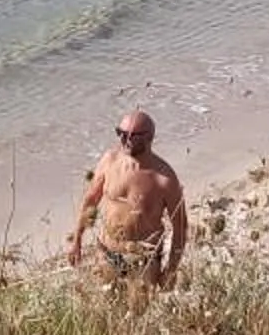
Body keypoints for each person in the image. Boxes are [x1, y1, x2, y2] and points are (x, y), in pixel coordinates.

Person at [68, 110, 187, 287]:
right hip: (106, 253)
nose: (125, 140)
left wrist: (171, 270)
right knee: (104, 310)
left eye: (132, 136)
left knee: (137, 313)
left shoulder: (164, 179)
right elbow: (90, 201)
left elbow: (180, 228)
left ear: (149, 137)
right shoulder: (109, 161)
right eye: (121, 133)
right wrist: (76, 240)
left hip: (143, 261)